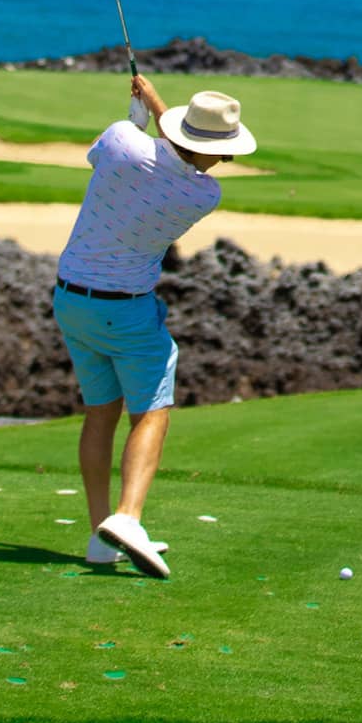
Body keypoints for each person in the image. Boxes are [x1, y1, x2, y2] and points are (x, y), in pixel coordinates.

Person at [52, 71, 257, 578]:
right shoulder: (202, 197)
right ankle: (129, 518)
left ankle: (101, 535)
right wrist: (157, 110)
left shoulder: (122, 141)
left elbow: (120, 152)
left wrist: (141, 112)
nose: (224, 161)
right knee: (151, 412)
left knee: (101, 412)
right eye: (225, 151)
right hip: (126, 311)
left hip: (70, 298)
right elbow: (179, 156)